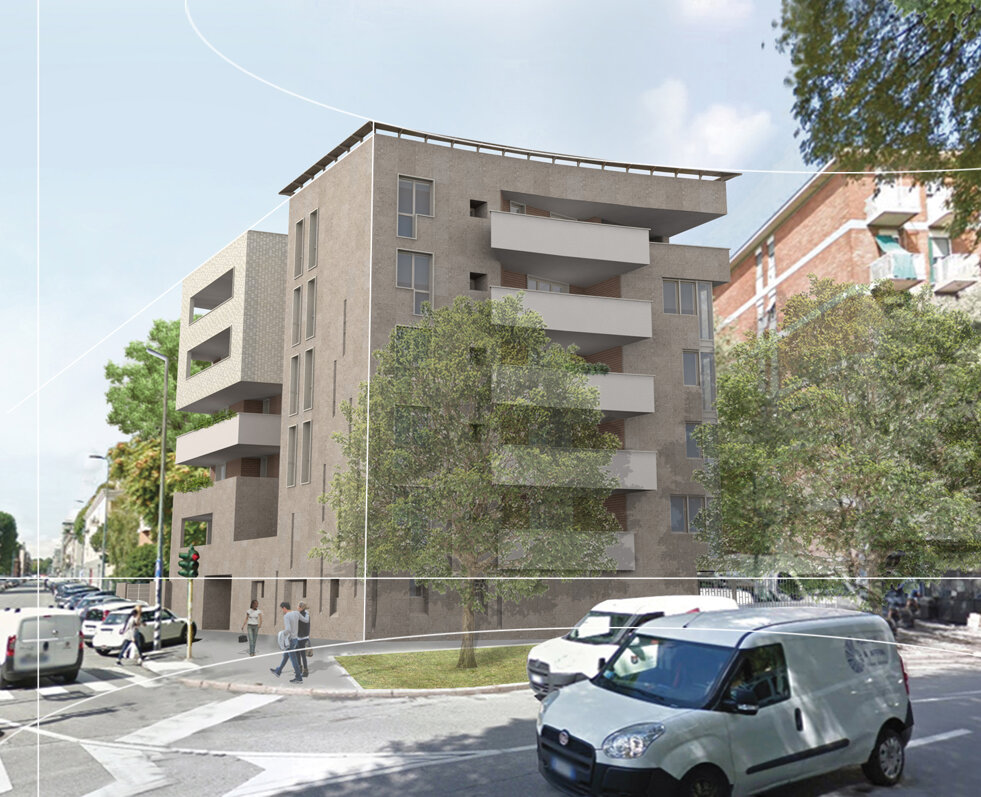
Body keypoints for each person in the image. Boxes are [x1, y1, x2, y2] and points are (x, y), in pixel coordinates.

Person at [269, 601, 303, 683]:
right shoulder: (296, 613)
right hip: (295, 639)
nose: (282, 611)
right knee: (285, 656)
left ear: (284, 608)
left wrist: (282, 634)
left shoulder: (286, 616)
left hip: (290, 640)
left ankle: (298, 678)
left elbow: (288, 630)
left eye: (282, 609)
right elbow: (305, 620)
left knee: (293, 659)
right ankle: (278, 671)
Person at [296, 601, 311, 677]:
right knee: (297, 653)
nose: (297, 607)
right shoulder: (300, 614)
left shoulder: (305, 615)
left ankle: (305, 671)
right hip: (299, 637)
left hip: (303, 638)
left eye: (298, 606)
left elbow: (305, 621)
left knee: (302, 655)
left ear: (301, 608)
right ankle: (299, 668)